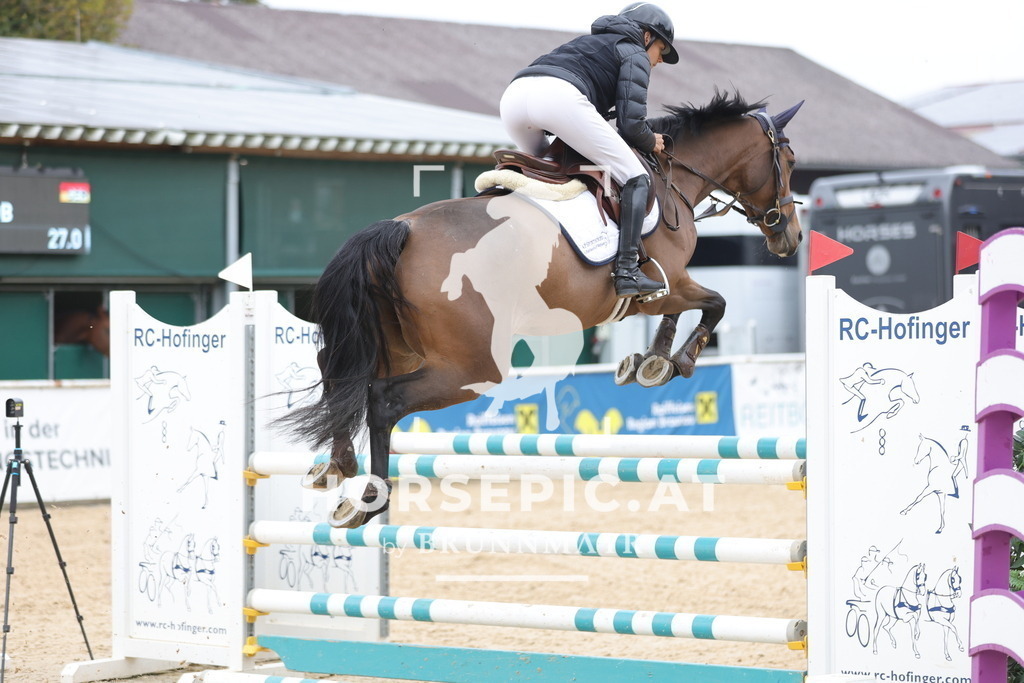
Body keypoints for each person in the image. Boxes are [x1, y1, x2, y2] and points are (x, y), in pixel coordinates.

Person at [499, 3, 679, 299]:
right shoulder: (634, 52)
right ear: (646, 36)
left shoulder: (587, 42)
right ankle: (627, 271)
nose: (658, 61)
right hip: (558, 98)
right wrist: (651, 141)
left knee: (542, 173)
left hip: (514, 98)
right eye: (661, 50)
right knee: (637, 177)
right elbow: (631, 126)